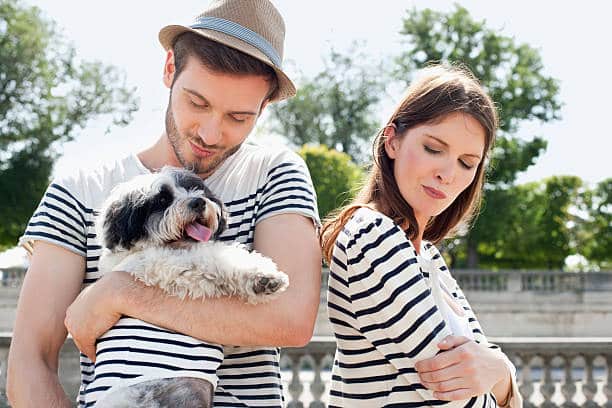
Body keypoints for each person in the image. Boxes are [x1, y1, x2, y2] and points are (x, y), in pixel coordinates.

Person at [7, 1, 322, 407]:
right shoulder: (79, 188)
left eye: (238, 117)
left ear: (265, 108)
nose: (210, 133)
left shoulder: (275, 173)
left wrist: (120, 292)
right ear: (169, 68)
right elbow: (29, 363)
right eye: (198, 102)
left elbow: (292, 320)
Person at [320, 65, 522, 407]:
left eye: (467, 163)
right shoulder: (373, 235)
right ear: (393, 140)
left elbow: (488, 379)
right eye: (433, 148)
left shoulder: (427, 256)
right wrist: (501, 375)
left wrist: (498, 371)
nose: (447, 174)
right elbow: (457, 393)